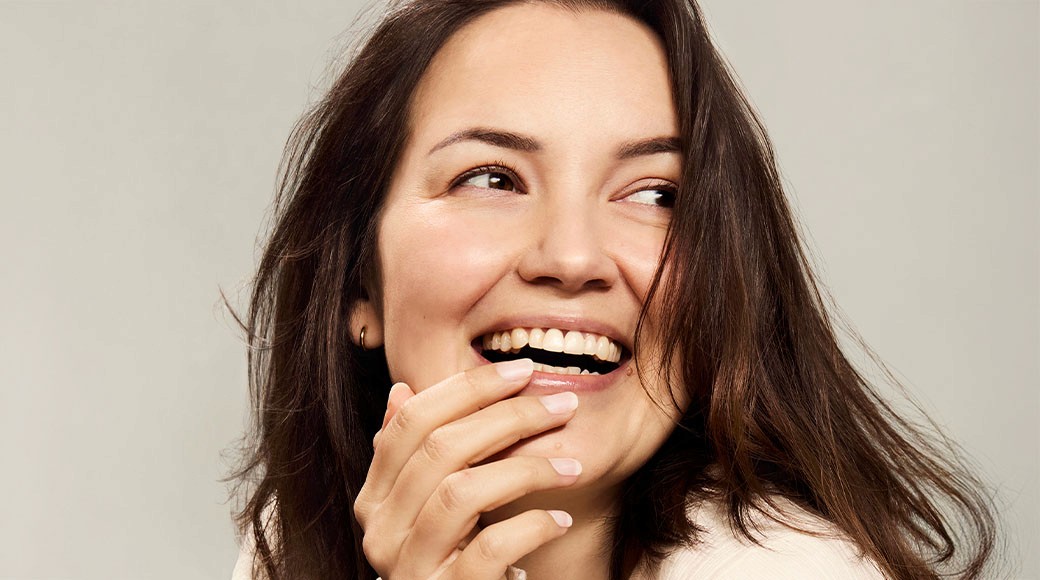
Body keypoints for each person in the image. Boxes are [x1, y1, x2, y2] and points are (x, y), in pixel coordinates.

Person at [227, 1, 998, 578]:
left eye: (655, 193)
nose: (571, 256)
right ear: (358, 287)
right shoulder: (286, 550)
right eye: (491, 178)